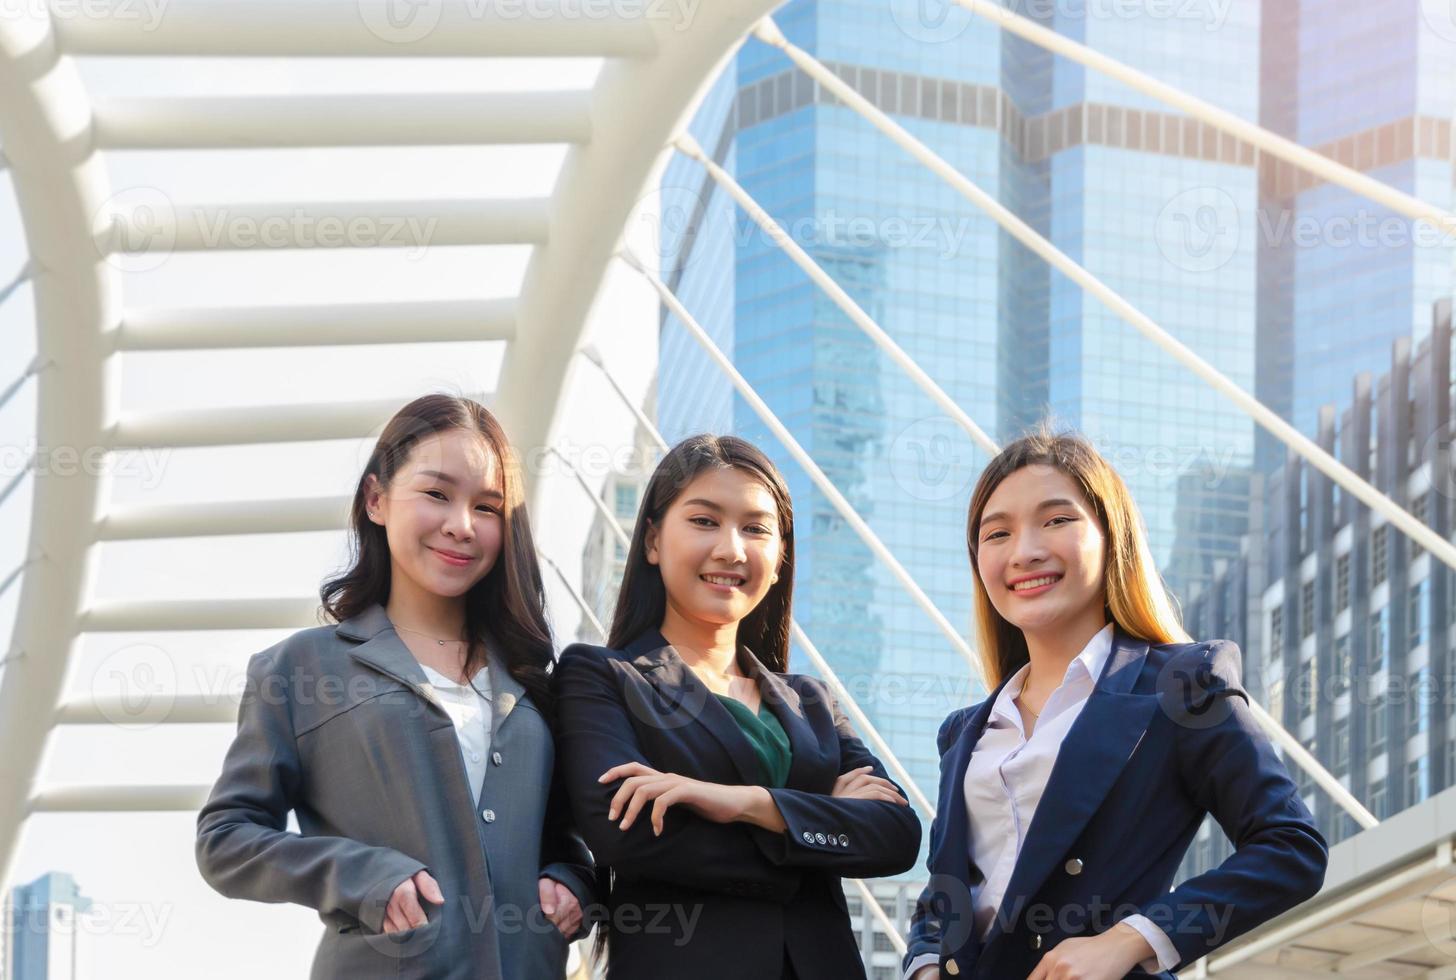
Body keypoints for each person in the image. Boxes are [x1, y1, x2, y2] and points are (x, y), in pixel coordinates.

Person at [905, 426, 1327, 979]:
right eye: (996, 533)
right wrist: (925, 964)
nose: (1025, 551)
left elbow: (1291, 846)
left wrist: (1129, 940)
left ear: (1112, 537)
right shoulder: (964, 733)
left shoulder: (1181, 686)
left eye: (1057, 520)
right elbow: (947, 893)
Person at [196, 393, 593, 979]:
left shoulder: (534, 678)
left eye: (487, 507)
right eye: (437, 494)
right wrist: (361, 876)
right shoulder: (299, 670)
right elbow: (225, 840)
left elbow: (566, 838)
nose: (462, 526)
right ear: (377, 500)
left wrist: (571, 883)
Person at [554, 434, 922, 978]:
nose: (731, 549)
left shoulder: (812, 701)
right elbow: (625, 835)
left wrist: (741, 802)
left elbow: (895, 835)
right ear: (653, 540)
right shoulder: (601, 676)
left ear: (778, 561)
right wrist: (815, 824)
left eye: (755, 528)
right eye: (704, 521)